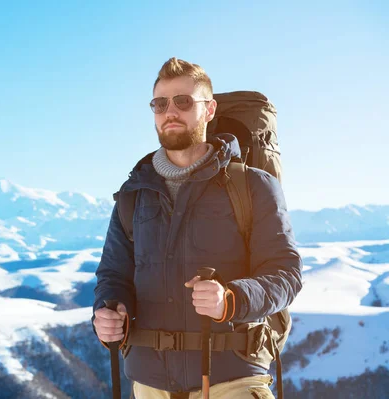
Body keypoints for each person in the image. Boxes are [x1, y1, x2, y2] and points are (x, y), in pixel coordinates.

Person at [91, 57, 303, 398]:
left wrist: (231, 300)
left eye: (183, 101)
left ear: (209, 109)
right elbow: (113, 275)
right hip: (149, 384)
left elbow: (286, 274)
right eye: (159, 104)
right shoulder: (133, 196)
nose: (169, 111)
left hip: (232, 378)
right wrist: (109, 310)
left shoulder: (252, 186)